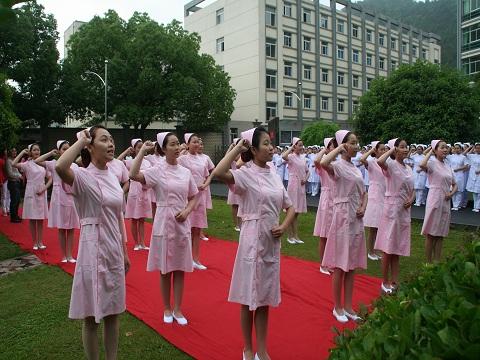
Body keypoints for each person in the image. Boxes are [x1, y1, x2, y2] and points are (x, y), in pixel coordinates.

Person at [212, 127, 295, 360]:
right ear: (254, 149)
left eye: (271, 143)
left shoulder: (275, 174)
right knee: (248, 296)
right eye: (266, 143)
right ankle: (248, 348)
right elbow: (219, 172)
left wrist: (284, 226)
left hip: (271, 241)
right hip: (251, 238)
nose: (271, 148)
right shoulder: (245, 172)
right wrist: (238, 147)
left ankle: (262, 348)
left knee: (265, 297)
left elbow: (291, 206)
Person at [56, 126, 130, 360]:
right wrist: (81, 140)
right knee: (90, 316)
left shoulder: (113, 173)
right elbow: (60, 166)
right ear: (90, 146)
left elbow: (118, 215)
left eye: (111, 140)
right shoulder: (82, 175)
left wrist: (124, 250)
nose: (111, 144)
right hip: (91, 248)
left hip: (114, 248)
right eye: (104, 140)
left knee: (113, 312)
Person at [129, 132, 198, 326]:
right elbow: (133, 175)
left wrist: (187, 211)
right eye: (173, 144)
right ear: (164, 148)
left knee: (181, 268)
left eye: (178, 144)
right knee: (165, 269)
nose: (177, 148)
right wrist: (142, 150)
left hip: (182, 222)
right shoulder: (157, 170)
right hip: (163, 220)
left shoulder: (185, 172)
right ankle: (167, 307)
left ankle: (178, 308)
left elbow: (194, 196)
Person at [320, 129, 368, 323]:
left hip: (356, 217)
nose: (356, 146)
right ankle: (337, 306)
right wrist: (339, 146)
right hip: (342, 216)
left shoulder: (356, 168)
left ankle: (348, 305)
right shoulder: (338, 166)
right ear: (343, 145)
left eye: (357, 143)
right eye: (352, 143)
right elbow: (323, 163)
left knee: (351, 265)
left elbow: (364, 192)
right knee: (340, 265)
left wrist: (363, 207)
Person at [375, 138, 415, 294]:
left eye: (407, 147)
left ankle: (395, 280)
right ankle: (384, 281)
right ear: (396, 149)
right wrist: (391, 150)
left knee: (397, 247)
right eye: (402, 147)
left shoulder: (409, 168)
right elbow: (380, 160)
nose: (406, 149)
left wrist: (411, 199)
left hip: (404, 210)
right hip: (392, 208)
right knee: (388, 247)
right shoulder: (390, 165)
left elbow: (412, 190)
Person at [35, 140, 80, 263]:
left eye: (68, 148)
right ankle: (64, 256)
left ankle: (70, 255)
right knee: (61, 227)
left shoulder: (75, 166)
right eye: (64, 149)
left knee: (70, 228)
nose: (66, 151)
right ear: (59, 151)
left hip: (71, 198)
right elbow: (37, 161)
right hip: (58, 197)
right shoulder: (54, 164)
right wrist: (50, 153)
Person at [420, 140, 457, 263]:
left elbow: (455, 184)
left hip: (446, 201)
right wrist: (431, 150)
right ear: (435, 150)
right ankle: (428, 262)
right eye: (442, 147)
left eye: (446, 147)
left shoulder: (448, 166)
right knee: (431, 233)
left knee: (440, 233)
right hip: (435, 198)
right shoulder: (432, 163)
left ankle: (437, 261)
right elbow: (421, 164)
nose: (445, 149)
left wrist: (451, 193)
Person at [178, 133, 210, 270]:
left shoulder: (203, 159)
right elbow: (172, 164)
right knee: (187, 230)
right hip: (188, 197)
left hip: (200, 196)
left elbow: (208, 175)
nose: (197, 144)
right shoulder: (183, 159)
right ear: (188, 143)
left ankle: (196, 259)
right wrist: (181, 150)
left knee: (197, 229)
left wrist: (206, 184)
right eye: (194, 142)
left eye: (198, 142)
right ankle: (185, 258)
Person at [13, 144, 52, 249]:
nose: (37, 152)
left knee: (40, 219)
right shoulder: (27, 164)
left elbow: (50, 178)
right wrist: (22, 152)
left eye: (38, 150)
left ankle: (40, 242)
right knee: (33, 218)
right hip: (31, 191)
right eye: (34, 150)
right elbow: (13, 163)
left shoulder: (42, 163)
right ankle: (35, 242)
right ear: (30, 152)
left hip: (41, 191)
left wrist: (44, 188)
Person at [120, 139, 152, 250]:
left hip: (144, 192)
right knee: (134, 218)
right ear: (134, 149)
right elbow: (117, 161)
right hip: (134, 191)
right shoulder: (131, 162)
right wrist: (126, 152)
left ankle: (142, 243)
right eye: (138, 147)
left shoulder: (148, 162)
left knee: (142, 219)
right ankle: (136, 243)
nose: (141, 149)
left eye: (141, 146)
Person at [313, 137, 337, 275]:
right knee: (324, 234)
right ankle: (323, 264)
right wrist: (325, 149)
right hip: (327, 199)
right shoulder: (323, 164)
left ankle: (332, 261)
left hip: (337, 199)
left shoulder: (338, 164)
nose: (336, 148)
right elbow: (317, 161)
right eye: (333, 146)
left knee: (335, 234)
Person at [360, 141, 387, 261]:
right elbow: (362, 159)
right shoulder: (371, 162)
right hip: (375, 195)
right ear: (376, 151)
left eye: (384, 149)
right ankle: (370, 251)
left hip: (383, 193)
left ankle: (375, 250)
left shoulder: (385, 163)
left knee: (379, 226)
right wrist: (371, 151)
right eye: (381, 149)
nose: (383, 151)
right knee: (373, 226)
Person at [282, 137, 308, 244]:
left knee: (296, 213)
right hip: (293, 184)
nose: (301, 147)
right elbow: (283, 156)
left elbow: (308, 171)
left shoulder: (303, 158)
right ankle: (290, 236)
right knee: (291, 211)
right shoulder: (291, 157)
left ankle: (296, 236)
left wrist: (305, 179)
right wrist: (291, 148)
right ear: (294, 146)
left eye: (302, 145)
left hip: (301, 185)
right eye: (299, 145)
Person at [198, 138, 215, 241]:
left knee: (202, 210)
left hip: (204, 186)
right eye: (198, 144)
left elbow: (213, 170)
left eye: (201, 144)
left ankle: (201, 232)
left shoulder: (206, 158)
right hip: (193, 186)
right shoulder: (187, 157)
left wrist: (207, 180)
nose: (200, 146)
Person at [447, 143, 468, 211]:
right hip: (452, 175)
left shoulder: (463, 157)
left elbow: (466, 166)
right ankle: (454, 204)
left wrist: (458, 169)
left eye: (458, 148)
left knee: (459, 191)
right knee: (453, 189)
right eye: (455, 148)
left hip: (460, 175)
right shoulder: (451, 156)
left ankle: (457, 205)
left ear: (461, 149)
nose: (456, 149)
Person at [226, 138, 242, 231]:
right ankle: (236, 224)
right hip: (234, 181)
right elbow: (226, 157)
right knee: (235, 204)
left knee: (241, 204)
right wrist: (230, 147)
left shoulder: (243, 155)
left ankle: (241, 223)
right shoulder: (232, 157)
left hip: (242, 180)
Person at [5, 148, 22, 222]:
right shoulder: (8, 161)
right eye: (13, 151)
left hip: (16, 183)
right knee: (14, 200)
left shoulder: (14, 160)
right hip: (12, 183)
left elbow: (17, 171)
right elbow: (10, 174)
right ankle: (13, 217)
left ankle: (16, 215)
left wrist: (19, 175)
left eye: (15, 151)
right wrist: (19, 176)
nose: (15, 152)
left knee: (17, 200)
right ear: (9, 152)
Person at [465, 143, 480, 212]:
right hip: (473, 175)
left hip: (479, 175)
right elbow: (464, 154)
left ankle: (477, 207)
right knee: (474, 191)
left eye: (479, 148)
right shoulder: (472, 156)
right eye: (477, 148)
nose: (478, 149)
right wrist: (471, 147)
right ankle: (475, 206)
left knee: (479, 191)